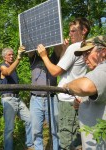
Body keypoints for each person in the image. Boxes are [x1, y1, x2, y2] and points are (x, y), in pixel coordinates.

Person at [37, 17, 91, 149]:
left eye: (73, 31)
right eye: (70, 31)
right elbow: (63, 70)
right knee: (77, 136)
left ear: (84, 30)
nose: (70, 34)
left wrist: (44, 55)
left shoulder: (75, 47)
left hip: (68, 101)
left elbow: (55, 71)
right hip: (76, 99)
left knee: (67, 140)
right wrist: (64, 50)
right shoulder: (86, 47)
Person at [63, 35, 106, 149]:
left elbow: (85, 87)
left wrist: (68, 85)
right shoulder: (97, 71)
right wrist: (83, 102)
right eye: (83, 55)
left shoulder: (104, 68)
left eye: (87, 53)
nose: (84, 58)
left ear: (104, 51)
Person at [0, 46, 34, 150]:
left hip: (17, 98)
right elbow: (7, 72)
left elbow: (11, 70)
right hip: (8, 99)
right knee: (9, 128)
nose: (12, 56)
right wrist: (18, 58)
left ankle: (30, 145)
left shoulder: (13, 68)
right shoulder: (2, 66)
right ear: (4, 57)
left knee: (30, 119)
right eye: (9, 54)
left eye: (13, 54)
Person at [28, 50, 60, 150]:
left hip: (51, 97)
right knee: (36, 131)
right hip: (36, 99)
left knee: (55, 131)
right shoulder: (34, 59)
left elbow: (58, 50)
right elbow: (30, 52)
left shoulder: (52, 59)